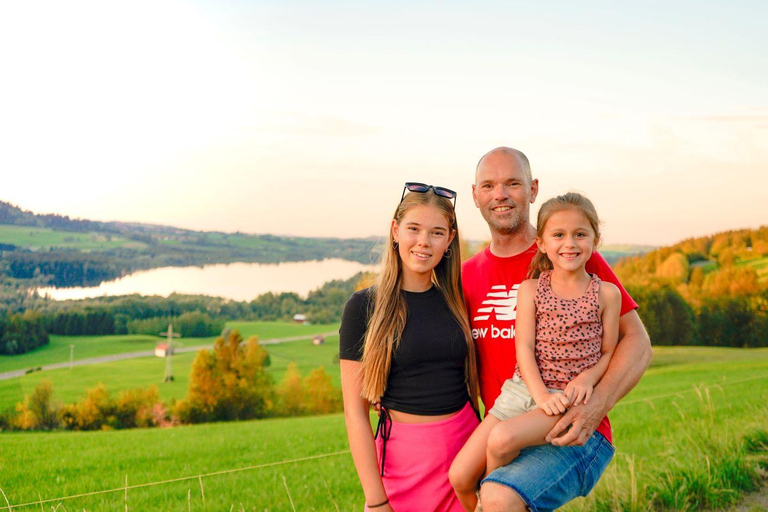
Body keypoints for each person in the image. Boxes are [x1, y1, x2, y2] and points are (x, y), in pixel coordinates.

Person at [456, 148, 652, 512]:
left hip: (575, 427)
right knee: (462, 484)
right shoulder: (466, 275)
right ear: (475, 195)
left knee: (498, 499)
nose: (500, 194)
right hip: (509, 423)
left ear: (532, 189)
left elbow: (638, 342)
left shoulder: (569, 253)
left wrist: (595, 406)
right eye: (489, 185)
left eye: (512, 183)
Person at [339, 182, 481, 512]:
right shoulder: (363, 307)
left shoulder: (458, 299)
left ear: (449, 241)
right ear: (395, 231)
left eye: (436, 232)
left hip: (466, 453)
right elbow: (355, 413)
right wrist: (376, 501)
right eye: (413, 229)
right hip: (402, 464)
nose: (423, 242)